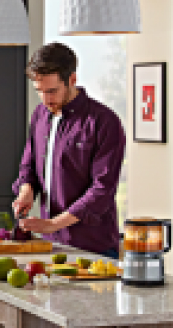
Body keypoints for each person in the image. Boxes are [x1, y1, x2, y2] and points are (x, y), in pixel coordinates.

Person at [12, 42, 126, 258]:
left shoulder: (104, 122)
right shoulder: (39, 115)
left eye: (52, 91)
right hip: (50, 246)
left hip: (93, 248)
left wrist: (53, 224)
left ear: (72, 80)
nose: (46, 100)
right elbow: (29, 165)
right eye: (40, 91)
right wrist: (26, 192)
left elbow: (102, 190)